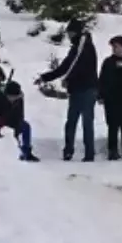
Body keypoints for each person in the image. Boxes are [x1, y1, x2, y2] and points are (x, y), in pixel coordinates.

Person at [36, 18, 99, 161]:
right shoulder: (75, 47)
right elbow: (65, 66)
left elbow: (76, 65)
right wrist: (45, 77)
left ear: (76, 31)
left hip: (88, 88)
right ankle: (68, 150)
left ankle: (89, 153)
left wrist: (66, 78)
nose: (69, 35)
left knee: (86, 122)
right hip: (76, 89)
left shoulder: (84, 44)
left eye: (70, 32)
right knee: (71, 121)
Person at [0, 81, 39, 161]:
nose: (12, 99)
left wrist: (16, 129)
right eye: (10, 96)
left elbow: (19, 115)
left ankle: (26, 152)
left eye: (14, 97)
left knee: (26, 126)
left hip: (14, 121)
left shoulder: (19, 100)